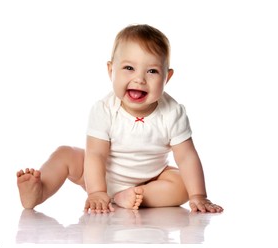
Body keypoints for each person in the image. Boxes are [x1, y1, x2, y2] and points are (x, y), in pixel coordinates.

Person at [17, 24, 223, 214]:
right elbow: (96, 154)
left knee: (182, 184)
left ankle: (132, 197)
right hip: (100, 177)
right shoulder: (104, 110)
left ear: (167, 78)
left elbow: (186, 157)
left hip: (150, 180)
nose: (139, 79)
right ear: (111, 71)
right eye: (129, 68)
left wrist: (199, 196)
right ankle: (39, 190)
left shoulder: (173, 112)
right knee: (65, 154)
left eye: (152, 71)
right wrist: (96, 192)